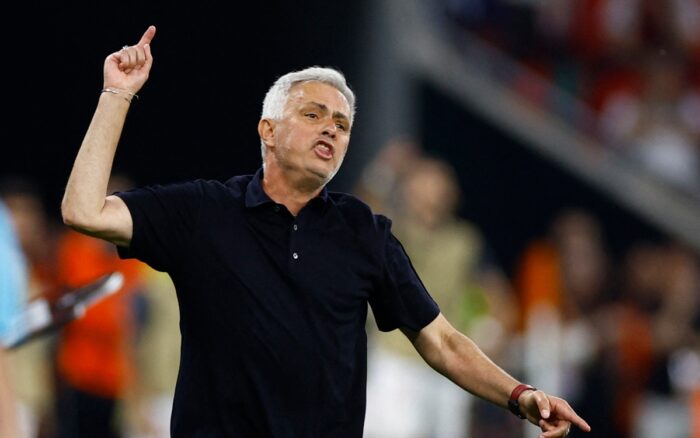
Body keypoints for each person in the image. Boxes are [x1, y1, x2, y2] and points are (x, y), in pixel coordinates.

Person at [61, 25, 591, 437]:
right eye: (314, 115)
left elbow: (442, 341)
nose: (331, 130)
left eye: (341, 124)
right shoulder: (205, 211)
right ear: (268, 130)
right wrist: (116, 95)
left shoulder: (364, 232)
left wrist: (521, 395)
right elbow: (83, 211)